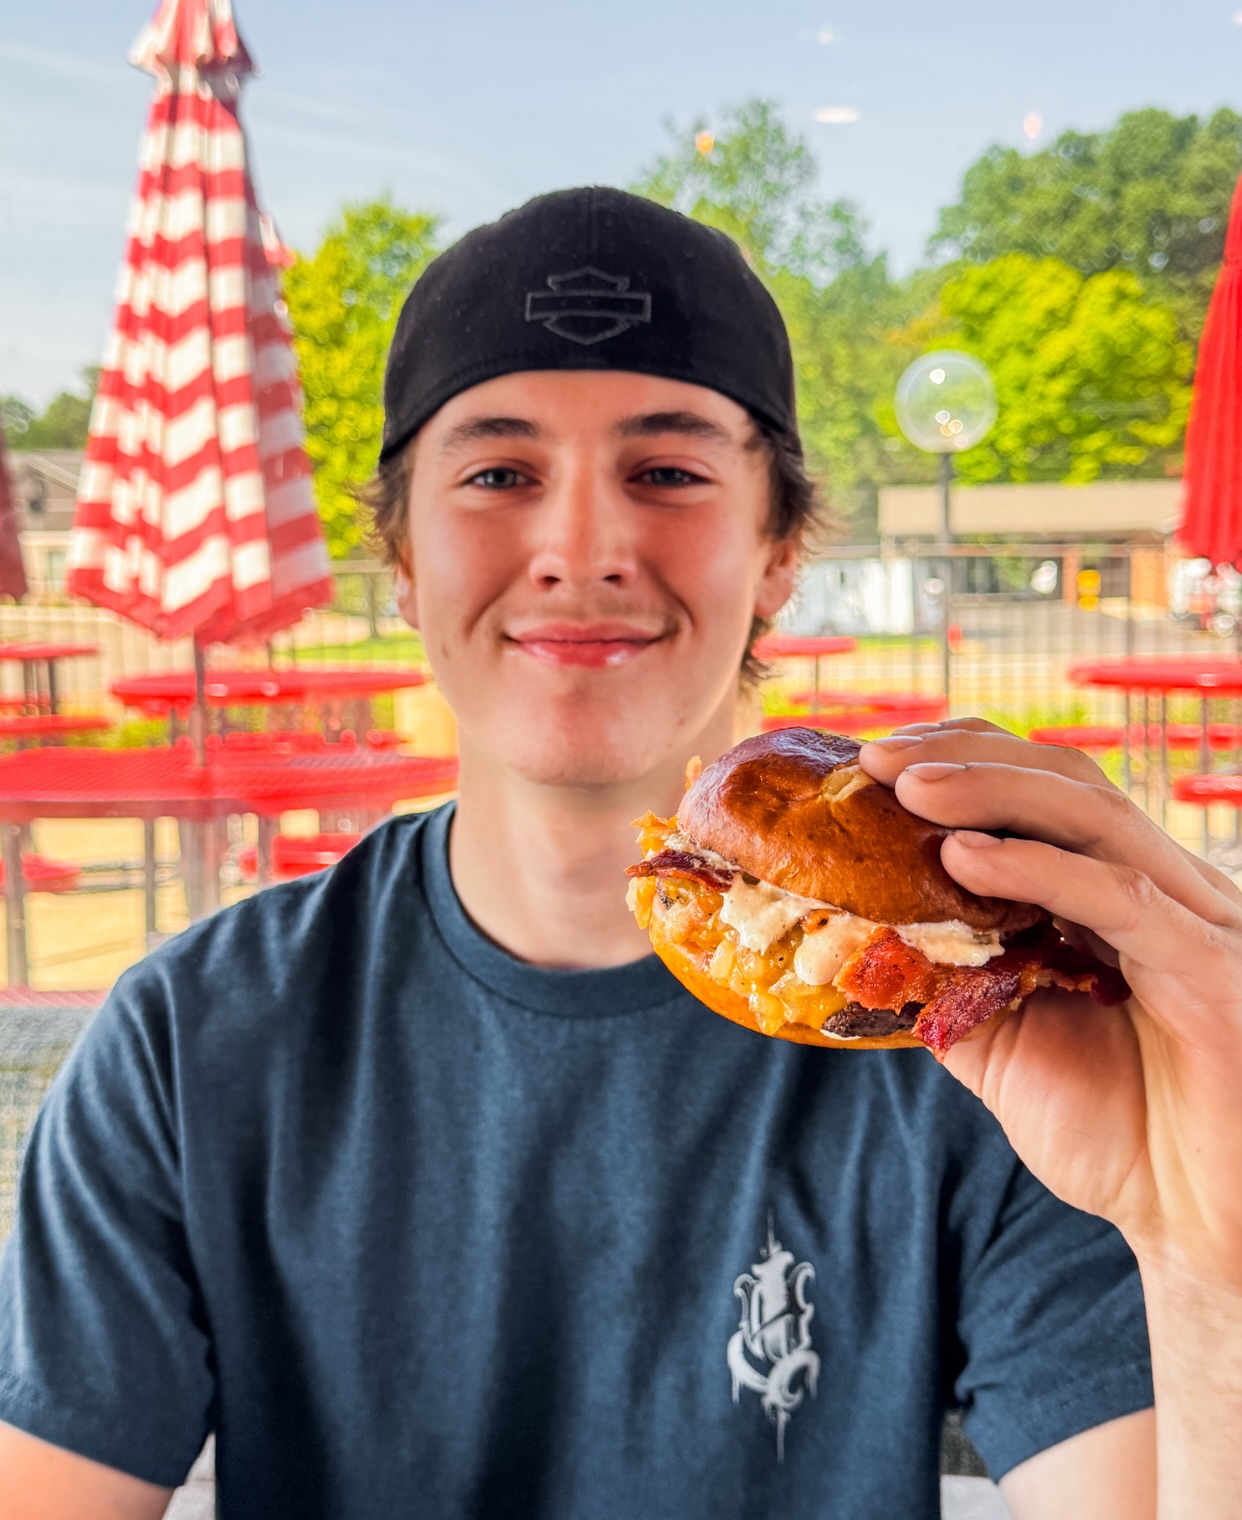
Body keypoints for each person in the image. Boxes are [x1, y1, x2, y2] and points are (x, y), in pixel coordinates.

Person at [0, 188, 1239, 1520]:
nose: (581, 550)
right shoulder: (197, 1038)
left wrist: (1202, 1258)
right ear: (400, 560)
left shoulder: (976, 1037)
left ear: (777, 551)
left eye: (665, 472)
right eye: (496, 473)